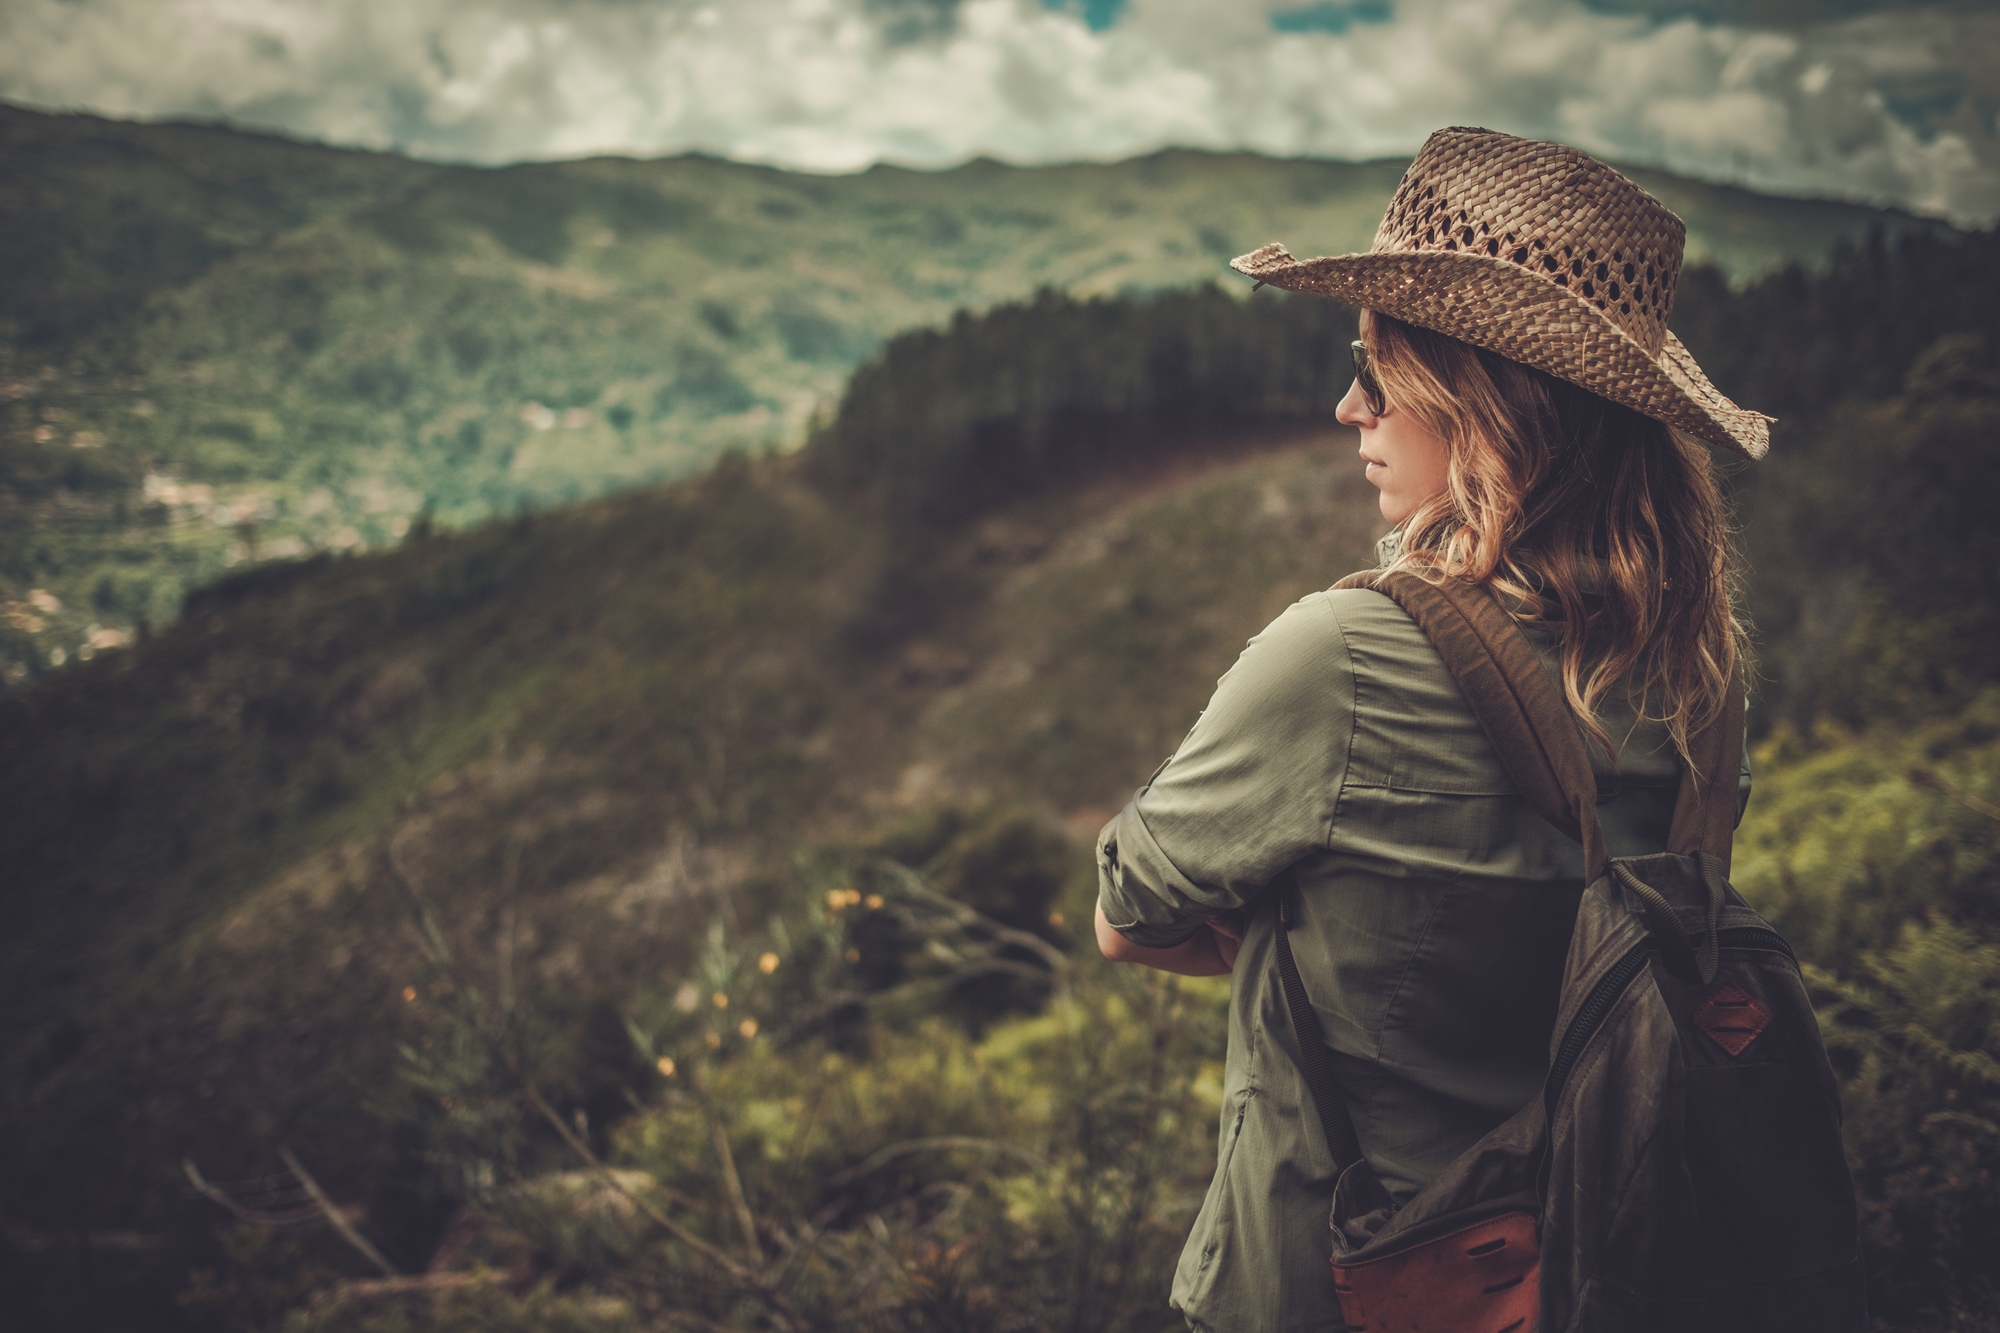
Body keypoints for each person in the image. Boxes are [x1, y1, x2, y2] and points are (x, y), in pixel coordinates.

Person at [1091, 127, 1769, 1332]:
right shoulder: (1696, 677)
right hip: (1612, 1277)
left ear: (1484, 401)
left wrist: (1300, 933)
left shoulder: (1341, 655)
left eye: (1375, 363)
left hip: (1343, 1282)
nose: (1346, 403)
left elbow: (1126, 919)